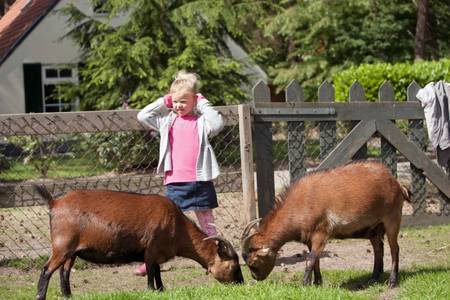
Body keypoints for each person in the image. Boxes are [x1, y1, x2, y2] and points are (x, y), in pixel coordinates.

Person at [134, 71, 224, 276]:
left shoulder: (202, 123)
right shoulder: (167, 122)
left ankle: (220, 256)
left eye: (184, 101)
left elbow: (218, 123)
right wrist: (164, 101)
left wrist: (202, 103)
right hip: (175, 182)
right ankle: (153, 262)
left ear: (194, 100)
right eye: (175, 101)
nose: (179, 105)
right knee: (167, 227)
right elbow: (143, 116)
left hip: (200, 181)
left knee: (207, 225)